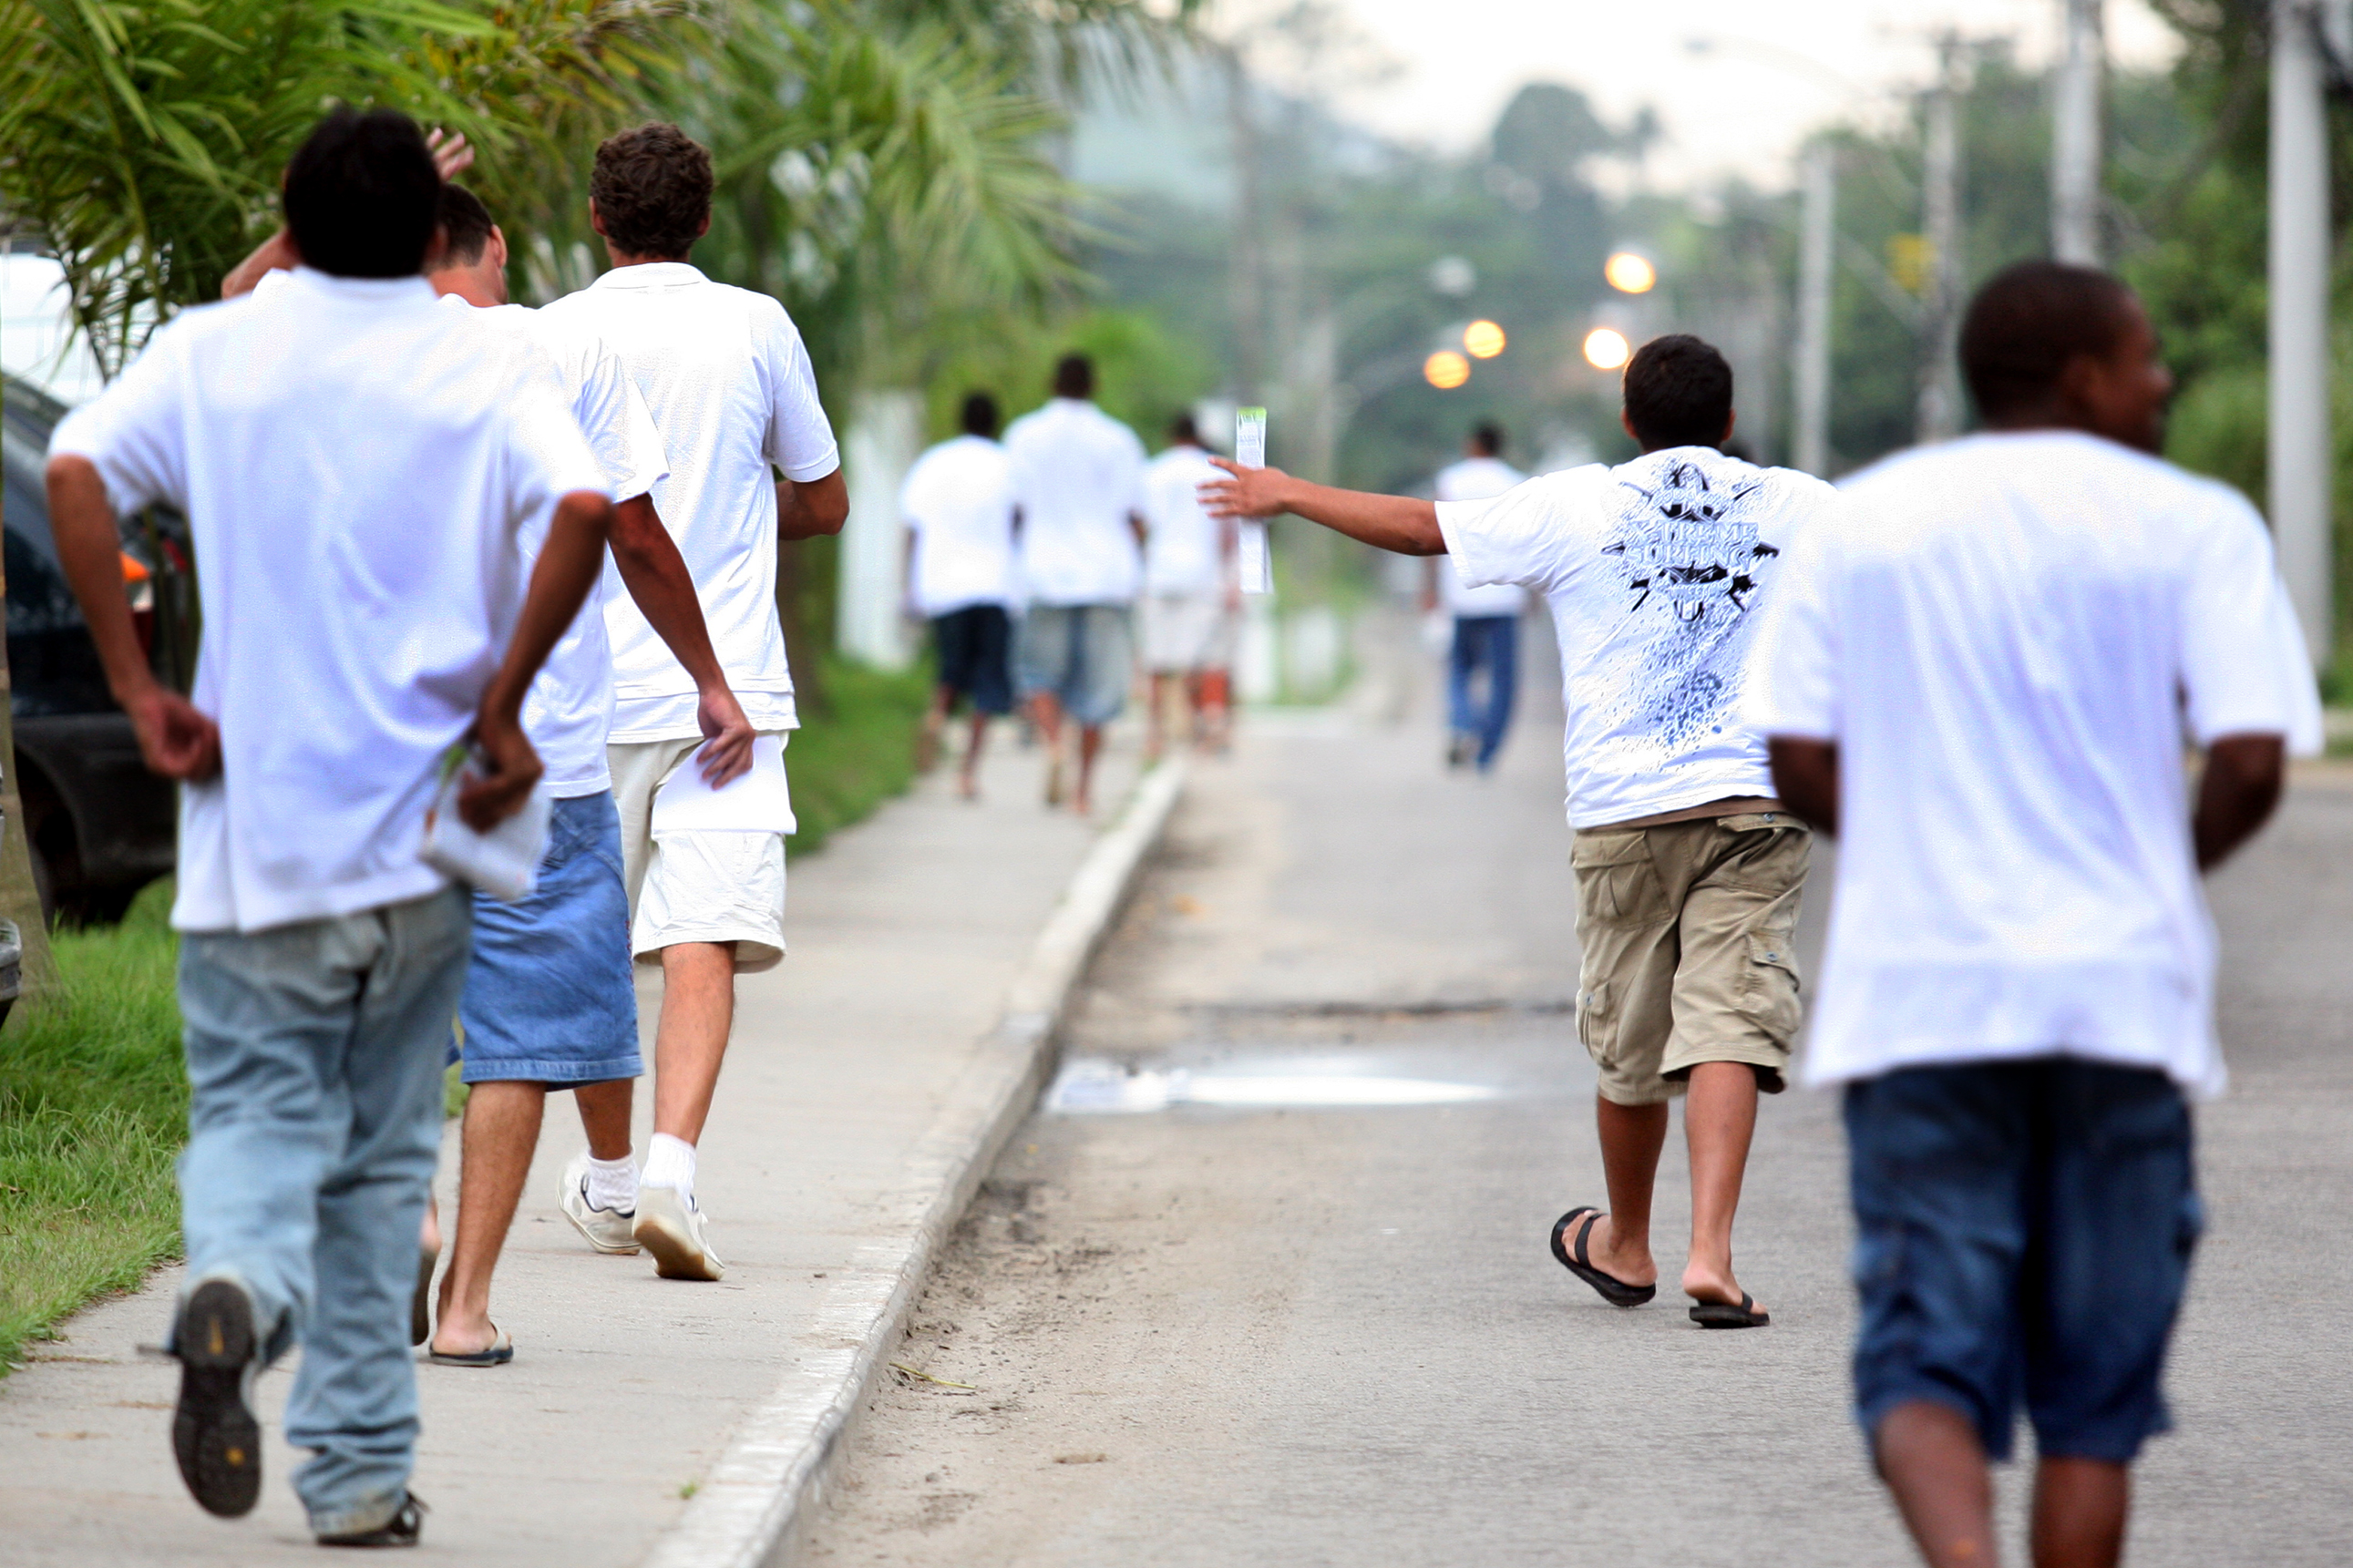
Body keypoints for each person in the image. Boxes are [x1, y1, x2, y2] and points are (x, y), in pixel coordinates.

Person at [46, 108, 614, 1546]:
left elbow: (71, 470)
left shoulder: (217, 351)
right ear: (438, 241)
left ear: (288, 228)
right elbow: (587, 507)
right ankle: (356, 1476)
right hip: (425, 840)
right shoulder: (482, 356)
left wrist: (137, 687)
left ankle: (233, 1281)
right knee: (374, 1163)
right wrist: (502, 708)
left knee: (252, 1115)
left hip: (255, 840)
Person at [1748, 261, 2319, 1568]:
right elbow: (2246, 759)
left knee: (1921, 1366)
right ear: (2080, 377)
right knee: (2090, 1408)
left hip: (1922, 999)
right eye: (2145, 356)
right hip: (2119, 1000)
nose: (2162, 379)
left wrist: (1910, 851)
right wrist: (2150, 877)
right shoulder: (2194, 523)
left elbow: (1791, 747)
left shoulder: (1867, 518)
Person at [1207, 334, 1833, 1328]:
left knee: (1630, 1042)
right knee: (1730, 1019)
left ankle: (1625, 1242)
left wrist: (1285, 492)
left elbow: (1420, 530)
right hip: (1753, 804)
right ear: (1725, 423)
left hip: (1623, 810)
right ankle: (1709, 1252)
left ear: (1626, 421)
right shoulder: (1804, 505)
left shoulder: (1575, 501)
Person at [417, 184, 755, 1363]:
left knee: (398, 993)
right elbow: (631, 533)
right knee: (518, 1028)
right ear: (494, 246)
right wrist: (711, 677)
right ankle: (465, 1307)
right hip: (536, 754)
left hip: (374, 749)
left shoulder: (334, 357)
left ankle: (409, 1208)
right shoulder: (558, 345)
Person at [539, 123, 847, 1283]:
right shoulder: (756, 323)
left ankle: (612, 1182)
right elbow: (824, 500)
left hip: (587, 691)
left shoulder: (555, 332)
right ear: (705, 219)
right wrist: (735, 512)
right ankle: (672, 1168)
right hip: (734, 691)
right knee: (698, 936)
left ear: (595, 217)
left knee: (590, 946)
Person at [1002, 354, 1147, 815]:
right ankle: (1084, 790)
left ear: (1052, 382)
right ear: (1094, 385)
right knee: (1098, 691)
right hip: (1107, 576)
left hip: (1043, 571)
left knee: (1041, 674)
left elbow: (1014, 510)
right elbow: (1136, 516)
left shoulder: (1023, 436)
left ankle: (1053, 745)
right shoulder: (1120, 440)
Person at [901, 391, 1019, 799]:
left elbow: (912, 528)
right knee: (987, 683)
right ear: (995, 422)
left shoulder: (933, 463)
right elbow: (1020, 521)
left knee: (950, 669)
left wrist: (911, 587)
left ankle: (936, 716)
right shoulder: (1008, 464)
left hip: (942, 585)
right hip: (994, 585)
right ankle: (968, 772)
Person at [1426, 423, 1526, 771]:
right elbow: (1526, 545)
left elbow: (1431, 535)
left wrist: (1431, 590)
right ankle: (1488, 751)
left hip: (1462, 594)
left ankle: (1461, 724)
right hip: (1505, 596)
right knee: (1503, 679)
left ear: (1472, 444)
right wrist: (1532, 595)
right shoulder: (1517, 484)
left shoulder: (1452, 480)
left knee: (1460, 669)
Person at [1135, 412, 1237, 760]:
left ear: (1171, 436)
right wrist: (1229, 578)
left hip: (1159, 573)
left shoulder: (1152, 471)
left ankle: (1155, 734)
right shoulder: (1213, 471)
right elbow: (1227, 531)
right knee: (1205, 658)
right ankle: (1206, 728)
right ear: (1198, 436)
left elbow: (1138, 524)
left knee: (1156, 661)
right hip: (1203, 574)